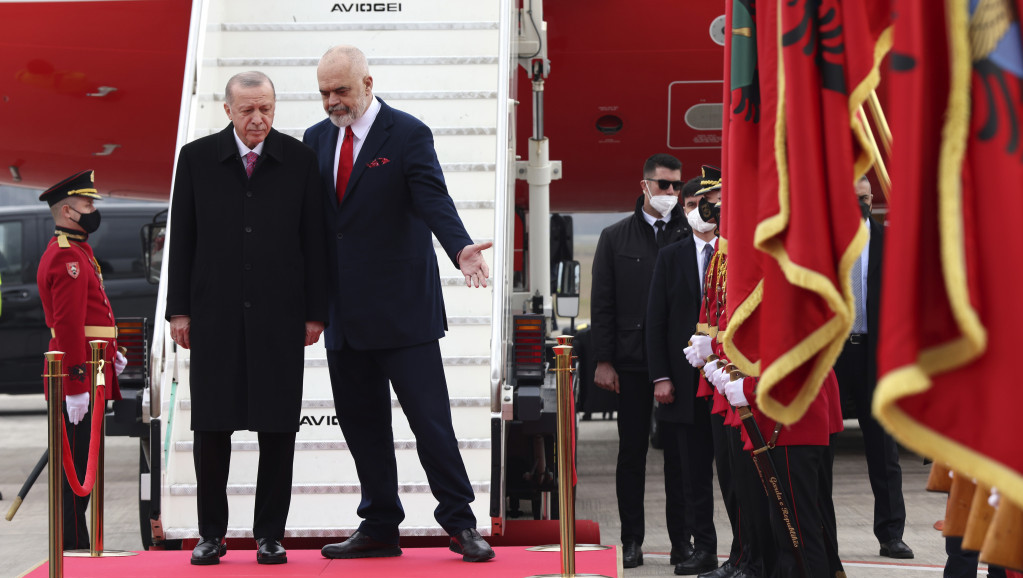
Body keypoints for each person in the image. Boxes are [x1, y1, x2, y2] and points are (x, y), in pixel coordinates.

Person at [302, 45, 495, 563]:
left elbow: (433, 198)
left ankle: (461, 523)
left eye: (341, 90)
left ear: (368, 83)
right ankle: (380, 525)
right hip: (345, 315)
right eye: (324, 92)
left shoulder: (408, 133)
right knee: (362, 425)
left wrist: (460, 248)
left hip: (404, 313)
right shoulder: (315, 139)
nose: (332, 101)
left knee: (431, 424)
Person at [166, 71, 328, 566]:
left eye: (266, 109)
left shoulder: (299, 159)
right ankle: (211, 534)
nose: (258, 119)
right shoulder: (196, 159)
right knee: (212, 428)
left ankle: (269, 535)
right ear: (228, 111)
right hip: (213, 314)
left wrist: (315, 312)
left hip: (280, 315)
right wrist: (179, 310)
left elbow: (314, 240)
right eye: (248, 110)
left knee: (278, 428)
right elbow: (183, 239)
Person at [590, 153, 688, 568]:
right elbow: (602, 304)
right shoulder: (615, 238)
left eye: (677, 185)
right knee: (631, 454)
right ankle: (632, 540)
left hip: (680, 364)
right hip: (631, 362)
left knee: (680, 457)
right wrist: (603, 360)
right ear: (644, 185)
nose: (671, 192)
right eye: (664, 185)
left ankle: (683, 542)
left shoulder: (690, 233)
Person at [36, 169, 126, 550]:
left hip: (93, 368)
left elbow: (92, 315)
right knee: (74, 474)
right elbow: (68, 326)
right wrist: (75, 385)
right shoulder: (65, 257)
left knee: (82, 467)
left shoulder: (79, 251)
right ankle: (70, 548)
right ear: (68, 211)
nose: (93, 210)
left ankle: (77, 543)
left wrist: (112, 353)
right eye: (87, 204)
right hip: (79, 375)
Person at [832, 175, 913, 559]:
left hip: (874, 356)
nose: (859, 205)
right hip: (832, 356)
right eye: (852, 198)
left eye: (864, 198)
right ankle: (820, 533)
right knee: (821, 448)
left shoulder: (890, 244)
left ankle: (891, 534)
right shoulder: (822, 245)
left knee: (883, 450)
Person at [646, 174, 719, 575]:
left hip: (730, 384)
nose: (700, 211)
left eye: (709, 204)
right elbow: (656, 320)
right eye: (692, 205)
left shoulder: (736, 254)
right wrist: (661, 376)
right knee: (692, 475)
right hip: (684, 383)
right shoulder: (671, 256)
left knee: (734, 474)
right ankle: (702, 548)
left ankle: (745, 550)